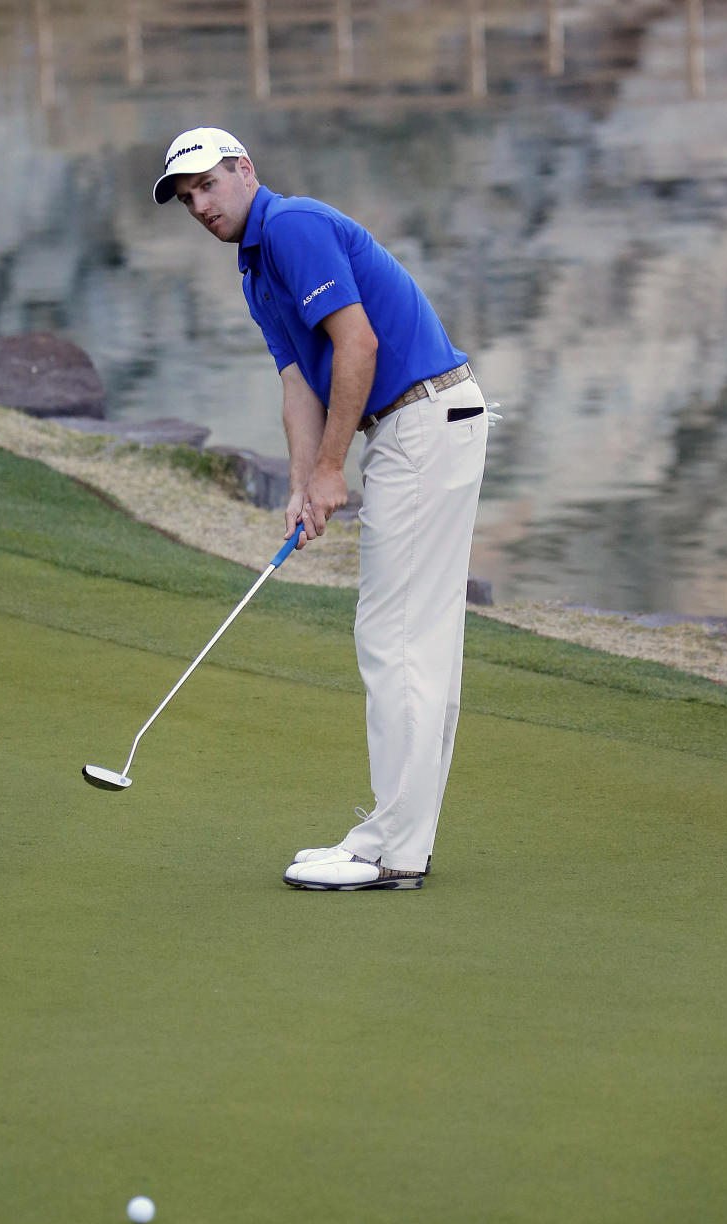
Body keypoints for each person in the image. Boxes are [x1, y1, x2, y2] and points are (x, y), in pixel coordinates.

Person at [152, 126, 489, 891]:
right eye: (186, 197)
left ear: (245, 171)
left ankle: (395, 849)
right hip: (423, 425)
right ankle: (396, 838)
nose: (199, 205)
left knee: (394, 638)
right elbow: (300, 382)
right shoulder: (254, 269)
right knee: (415, 640)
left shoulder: (292, 226)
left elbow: (359, 345)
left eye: (208, 184)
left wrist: (336, 466)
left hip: (421, 421)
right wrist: (307, 484)